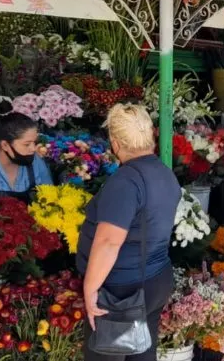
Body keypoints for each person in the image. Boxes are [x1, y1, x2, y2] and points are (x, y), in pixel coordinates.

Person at [80, 104, 180, 361]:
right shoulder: (164, 173)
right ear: (150, 134)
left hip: (122, 289)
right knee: (142, 354)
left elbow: (108, 242)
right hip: (154, 277)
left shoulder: (125, 180)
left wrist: (90, 290)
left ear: (115, 142)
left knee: (106, 354)